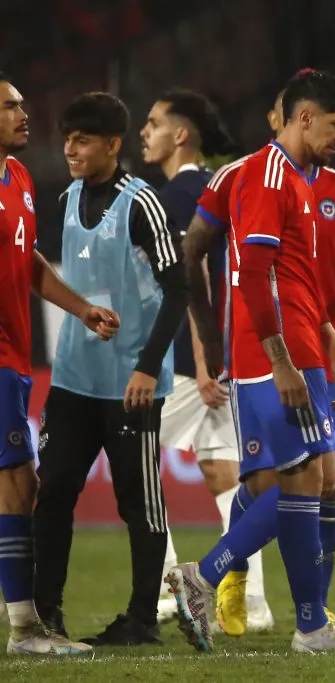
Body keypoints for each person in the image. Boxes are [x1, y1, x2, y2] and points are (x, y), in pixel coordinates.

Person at [166, 69, 335, 654]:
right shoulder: (263, 177)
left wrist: (332, 349)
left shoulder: (308, 183)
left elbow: (305, 283)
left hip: (305, 347)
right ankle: (208, 579)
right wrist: (276, 361)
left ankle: (310, 623)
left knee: (319, 476)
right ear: (303, 117)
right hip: (275, 355)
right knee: (301, 479)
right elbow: (255, 277)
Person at [33, 91, 189, 645]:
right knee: (51, 493)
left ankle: (142, 620)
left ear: (113, 145)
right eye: (67, 138)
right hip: (73, 380)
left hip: (129, 383)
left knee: (139, 502)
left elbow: (178, 289)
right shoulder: (65, 198)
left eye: (82, 139)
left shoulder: (140, 202)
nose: (70, 149)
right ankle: (45, 615)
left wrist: (148, 367)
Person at [139, 88, 274, 631]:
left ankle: (164, 590)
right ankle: (253, 604)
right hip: (216, 361)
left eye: (152, 123)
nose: (144, 133)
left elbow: (198, 279)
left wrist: (201, 362)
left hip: (191, 363)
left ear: (181, 134)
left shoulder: (181, 195)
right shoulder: (211, 188)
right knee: (225, 476)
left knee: (134, 459)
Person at [0, 72, 110, 657]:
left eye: (21, 104)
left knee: (19, 482)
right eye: (11, 107)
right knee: (19, 482)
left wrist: (82, 307)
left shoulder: (16, 177)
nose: (25, 114)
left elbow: (28, 257)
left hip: (16, 357)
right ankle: (25, 631)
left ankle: (26, 626)